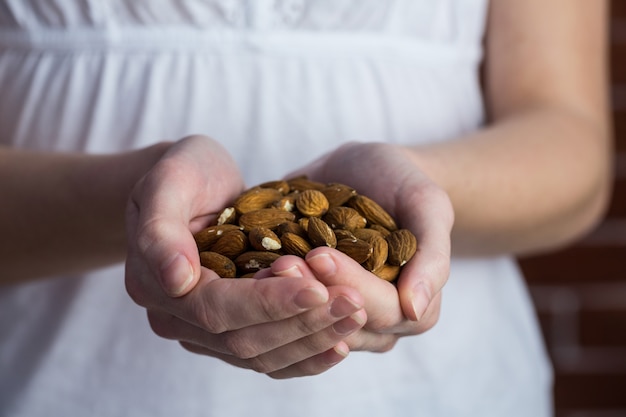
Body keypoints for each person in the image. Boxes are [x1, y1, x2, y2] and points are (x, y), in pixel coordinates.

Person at [0, 1, 611, 416]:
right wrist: (131, 197)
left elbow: (572, 148)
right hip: (62, 383)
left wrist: (426, 187)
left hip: (438, 388)